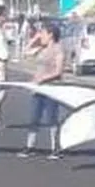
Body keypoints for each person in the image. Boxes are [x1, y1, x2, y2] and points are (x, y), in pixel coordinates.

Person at [19, 22, 66, 159]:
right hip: (37, 88)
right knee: (34, 117)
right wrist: (34, 39)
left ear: (51, 35)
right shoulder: (41, 49)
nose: (42, 36)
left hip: (52, 88)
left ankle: (55, 148)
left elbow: (58, 71)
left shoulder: (58, 49)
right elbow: (25, 53)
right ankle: (30, 146)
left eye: (44, 34)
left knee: (52, 118)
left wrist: (43, 78)